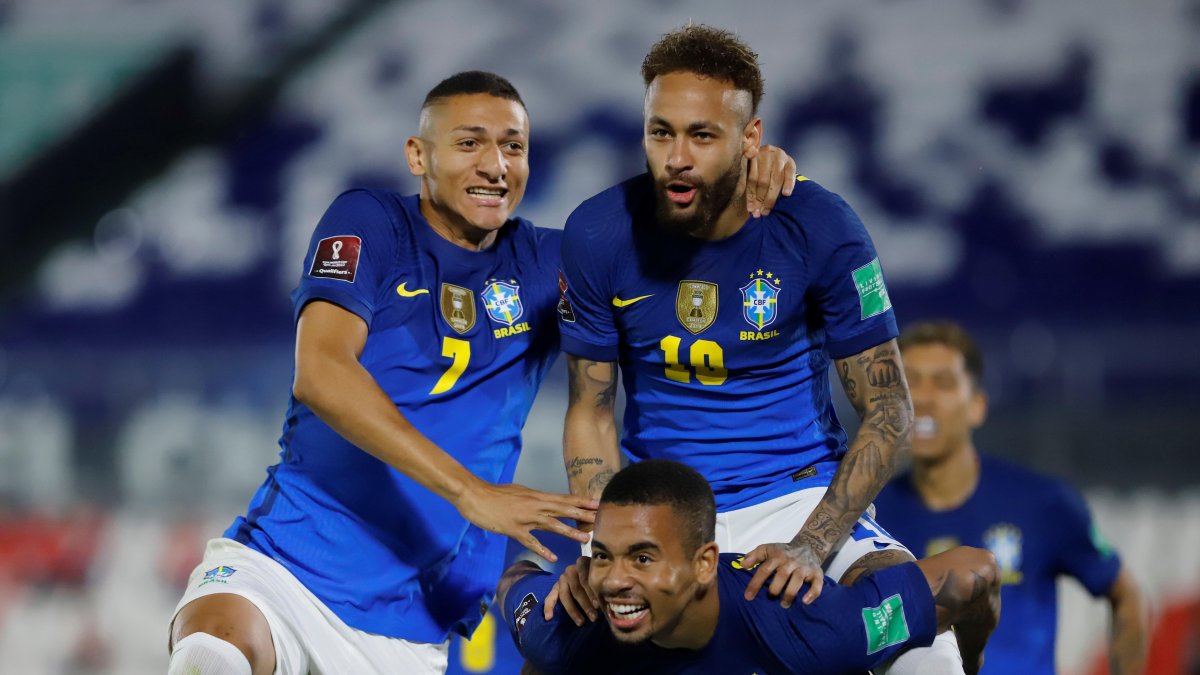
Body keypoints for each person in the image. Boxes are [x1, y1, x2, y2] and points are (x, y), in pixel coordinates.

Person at [166, 70, 799, 675]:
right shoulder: (372, 224)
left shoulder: (551, 263)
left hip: (411, 633)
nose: (495, 165)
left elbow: (683, 234)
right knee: (214, 650)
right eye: (470, 143)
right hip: (284, 570)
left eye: (513, 147)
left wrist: (746, 178)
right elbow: (321, 372)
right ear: (419, 155)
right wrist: (473, 492)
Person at [557, 24, 963, 675]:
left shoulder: (819, 226)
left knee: (927, 659)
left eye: (702, 135)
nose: (677, 157)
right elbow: (590, 410)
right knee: (552, 655)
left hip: (796, 497)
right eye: (661, 132)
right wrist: (601, 544)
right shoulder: (597, 233)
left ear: (750, 139)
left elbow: (889, 406)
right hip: (659, 511)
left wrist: (812, 542)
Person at [498, 459, 1001, 674]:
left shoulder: (812, 626)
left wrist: (972, 662)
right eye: (603, 557)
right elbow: (513, 582)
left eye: (643, 558)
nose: (614, 581)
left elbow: (973, 574)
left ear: (703, 565)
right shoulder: (569, 634)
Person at [873, 321, 1147, 675]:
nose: (922, 398)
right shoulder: (876, 518)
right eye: (909, 383)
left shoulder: (1042, 503)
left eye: (942, 383)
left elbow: (1126, 596)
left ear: (977, 406)